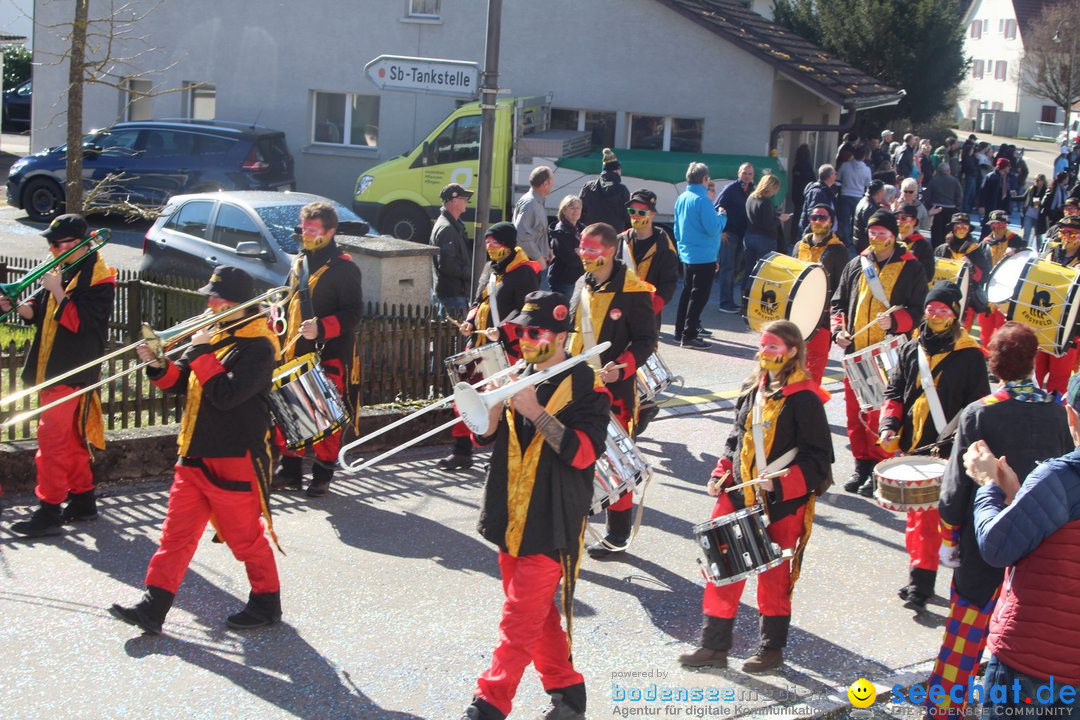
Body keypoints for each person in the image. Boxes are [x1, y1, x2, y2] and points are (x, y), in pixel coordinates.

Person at [460, 291, 610, 720]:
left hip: (554, 517)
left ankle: (490, 702)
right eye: (520, 331)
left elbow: (583, 454)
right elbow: (490, 439)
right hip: (510, 514)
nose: (524, 339)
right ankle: (567, 689)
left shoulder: (587, 385)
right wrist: (485, 416)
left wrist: (537, 412)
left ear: (561, 335)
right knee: (536, 614)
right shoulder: (517, 373)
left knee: (518, 618)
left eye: (534, 331)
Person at [110, 266, 283, 634]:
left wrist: (203, 350)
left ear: (242, 304)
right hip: (193, 452)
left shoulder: (260, 346)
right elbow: (179, 382)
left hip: (234, 456)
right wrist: (157, 364)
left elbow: (225, 395)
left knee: (245, 538)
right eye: (211, 297)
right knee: (175, 536)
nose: (211, 304)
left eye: (219, 299)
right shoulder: (213, 336)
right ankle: (152, 607)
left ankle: (267, 602)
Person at [925, 323, 1071, 719]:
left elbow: (956, 489)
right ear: (1032, 361)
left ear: (995, 363)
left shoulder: (980, 412)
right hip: (1038, 547)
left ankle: (944, 712)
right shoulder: (1057, 414)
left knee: (962, 642)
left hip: (982, 540)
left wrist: (949, 537)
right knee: (1019, 646)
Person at [678, 320, 831, 673]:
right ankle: (713, 646)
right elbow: (735, 439)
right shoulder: (752, 389)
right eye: (762, 346)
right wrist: (720, 473)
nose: (765, 353)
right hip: (739, 491)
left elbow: (819, 458)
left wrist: (780, 483)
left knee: (775, 578)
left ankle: (770, 650)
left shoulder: (806, 397)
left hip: (782, 500)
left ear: (793, 352)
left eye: (773, 347)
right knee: (722, 568)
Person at [963, 372, 1080, 719]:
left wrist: (989, 486)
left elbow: (996, 546)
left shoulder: (1060, 478)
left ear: (1070, 414)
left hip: (1033, 665)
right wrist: (1019, 497)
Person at [877, 282, 990, 613]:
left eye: (943, 310)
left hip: (948, 449)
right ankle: (919, 576)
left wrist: (957, 443)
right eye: (931, 310)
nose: (936, 315)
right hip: (913, 444)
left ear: (954, 314)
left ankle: (928, 581)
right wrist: (889, 425)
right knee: (917, 519)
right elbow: (895, 390)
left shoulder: (970, 355)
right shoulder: (913, 348)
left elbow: (978, 406)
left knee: (935, 522)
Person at [4, 214, 116, 538]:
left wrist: (57, 292)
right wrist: (18, 306)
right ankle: (83, 499)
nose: (52, 249)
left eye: (58, 244)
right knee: (68, 438)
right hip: (52, 366)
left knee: (51, 441)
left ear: (79, 243)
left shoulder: (100, 279)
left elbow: (81, 323)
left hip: (73, 368)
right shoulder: (63, 269)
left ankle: (49, 509)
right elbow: (40, 314)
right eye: (50, 244)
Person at [569, 222, 658, 558]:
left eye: (591, 249)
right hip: (577, 388)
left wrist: (622, 366)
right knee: (576, 457)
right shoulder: (582, 284)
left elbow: (647, 341)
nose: (584, 255)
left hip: (615, 390)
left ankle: (618, 534)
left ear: (608, 251)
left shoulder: (634, 290)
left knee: (614, 462)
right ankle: (573, 524)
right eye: (582, 248)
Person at [832, 209, 929, 495]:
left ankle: (879, 469)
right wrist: (839, 331)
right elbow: (838, 302)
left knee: (881, 414)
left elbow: (920, 311)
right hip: (857, 352)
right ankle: (861, 464)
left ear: (893, 235)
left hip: (890, 356)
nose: (876, 237)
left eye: (882, 232)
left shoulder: (913, 268)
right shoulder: (856, 264)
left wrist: (896, 322)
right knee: (855, 412)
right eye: (872, 232)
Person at [272, 202, 363, 497]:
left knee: (326, 417)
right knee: (292, 410)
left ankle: (323, 474)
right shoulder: (300, 262)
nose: (306, 234)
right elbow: (288, 299)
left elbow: (353, 314)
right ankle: (290, 471)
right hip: (296, 352)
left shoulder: (345, 268)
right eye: (304, 228)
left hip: (329, 352)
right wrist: (275, 313)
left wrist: (322, 327)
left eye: (313, 230)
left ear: (330, 231)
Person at [441, 222, 541, 471]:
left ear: (507, 244)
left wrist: (504, 329)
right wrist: (469, 321)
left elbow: (527, 310)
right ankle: (461, 451)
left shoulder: (525, 271)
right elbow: (478, 301)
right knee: (465, 398)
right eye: (487, 242)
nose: (489, 247)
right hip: (478, 345)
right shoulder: (489, 268)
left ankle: (501, 455)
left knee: (504, 402)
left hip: (505, 348)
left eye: (494, 242)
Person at [673, 162, 726, 349]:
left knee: (688, 293)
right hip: (704, 255)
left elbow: (677, 228)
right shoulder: (703, 200)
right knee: (699, 297)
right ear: (705, 179)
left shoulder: (683, 197)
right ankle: (689, 335)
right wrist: (722, 216)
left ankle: (680, 331)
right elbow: (713, 229)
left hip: (687, 253)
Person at [793, 203, 847, 383]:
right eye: (814, 217)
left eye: (822, 217)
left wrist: (836, 320)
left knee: (812, 374)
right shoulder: (799, 245)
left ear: (831, 222)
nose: (817, 221)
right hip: (797, 317)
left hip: (821, 321)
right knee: (792, 371)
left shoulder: (838, 250)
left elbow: (842, 287)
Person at [618, 189, 679, 330]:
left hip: (649, 315)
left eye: (641, 212)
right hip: (619, 314)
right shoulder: (621, 241)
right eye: (631, 211)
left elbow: (669, 283)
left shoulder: (664, 246)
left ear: (652, 214)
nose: (636, 216)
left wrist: (652, 307)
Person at [1035, 215, 1080, 395]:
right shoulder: (1050, 252)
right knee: (1034, 371)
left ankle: (1054, 416)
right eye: (1064, 232)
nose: (1067, 236)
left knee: (1059, 378)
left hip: (1071, 327)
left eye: (1073, 233)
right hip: (1043, 321)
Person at [934, 213, 991, 333]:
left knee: (960, 332)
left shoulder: (975, 249)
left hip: (966, 298)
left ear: (969, 229)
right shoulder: (942, 248)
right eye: (958, 226)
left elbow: (983, 276)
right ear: (952, 228)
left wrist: (971, 267)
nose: (961, 229)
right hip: (942, 296)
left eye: (964, 227)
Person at [977, 209, 1025, 346]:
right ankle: (986, 355)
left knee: (1002, 329)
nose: (998, 227)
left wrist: (1017, 251)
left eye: (1001, 224)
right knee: (985, 328)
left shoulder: (1017, 241)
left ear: (1006, 224)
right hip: (987, 292)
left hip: (1008, 293)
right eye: (995, 224)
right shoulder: (985, 243)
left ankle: (999, 356)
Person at [743, 174, 791, 301]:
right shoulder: (766, 202)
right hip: (765, 239)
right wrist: (779, 219)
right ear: (771, 187)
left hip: (749, 236)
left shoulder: (750, 198)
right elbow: (768, 225)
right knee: (763, 272)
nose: (776, 191)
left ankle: (745, 298)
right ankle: (757, 300)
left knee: (748, 270)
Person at [715, 163, 754, 313]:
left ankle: (731, 302)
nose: (747, 176)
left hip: (744, 235)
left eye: (750, 174)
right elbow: (717, 207)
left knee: (736, 269)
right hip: (729, 234)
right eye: (744, 173)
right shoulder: (730, 189)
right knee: (727, 268)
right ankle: (725, 303)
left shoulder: (753, 189)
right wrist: (721, 230)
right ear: (739, 173)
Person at [431, 182, 474, 312]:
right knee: (456, 332)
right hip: (453, 295)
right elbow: (447, 265)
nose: (467, 201)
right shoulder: (447, 229)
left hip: (454, 293)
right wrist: (470, 273)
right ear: (454, 201)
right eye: (464, 199)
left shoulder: (453, 225)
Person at [578, 148, 630, 233]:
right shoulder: (622, 190)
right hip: (612, 237)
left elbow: (579, 211)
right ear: (618, 170)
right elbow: (628, 217)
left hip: (590, 235)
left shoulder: (588, 187)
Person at [514, 166, 555, 271]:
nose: (553, 184)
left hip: (534, 263)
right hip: (530, 265)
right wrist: (539, 258)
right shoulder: (531, 204)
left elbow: (537, 232)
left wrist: (547, 250)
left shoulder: (536, 202)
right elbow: (522, 237)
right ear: (545, 184)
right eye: (552, 180)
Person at [547, 195, 584, 299]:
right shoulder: (560, 232)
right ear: (563, 210)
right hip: (564, 280)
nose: (576, 211)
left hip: (578, 278)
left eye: (578, 208)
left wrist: (581, 252)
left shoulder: (582, 228)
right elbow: (571, 260)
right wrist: (585, 254)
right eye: (572, 208)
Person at [836, 146, 872, 246]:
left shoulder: (845, 165)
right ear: (864, 156)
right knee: (856, 220)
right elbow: (868, 184)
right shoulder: (867, 169)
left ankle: (845, 241)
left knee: (845, 220)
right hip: (858, 196)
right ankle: (854, 239)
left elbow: (838, 180)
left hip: (844, 195)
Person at [923, 160, 963, 248]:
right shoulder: (954, 181)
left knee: (936, 231)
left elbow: (927, 195)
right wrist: (957, 206)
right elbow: (959, 196)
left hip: (936, 208)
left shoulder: (934, 180)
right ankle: (947, 248)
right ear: (948, 170)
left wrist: (928, 207)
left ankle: (936, 249)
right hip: (950, 209)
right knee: (948, 231)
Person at [797, 164, 837, 237]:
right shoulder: (818, 192)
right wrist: (809, 234)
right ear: (830, 175)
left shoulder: (825, 190)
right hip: (816, 233)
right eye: (835, 174)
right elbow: (813, 214)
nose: (836, 176)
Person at [897, 204, 934, 281]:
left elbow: (928, 275)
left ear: (914, 221)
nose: (899, 221)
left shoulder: (923, 245)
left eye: (903, 218)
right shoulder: (890, 240)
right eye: (897, 217)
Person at [853, 179, 885, 254]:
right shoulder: (869, 207)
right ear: (878, 192)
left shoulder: (865, 200)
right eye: (883, 191)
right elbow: (874, 227)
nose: (884, 193)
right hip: (865, 245)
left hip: (860, 241)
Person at [1021, 173, 1048, 250]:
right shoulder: (1031, 189)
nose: (1035, 182)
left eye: (1037, 180)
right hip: (1029, 215)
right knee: (1026, 234)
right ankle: (1024, 248)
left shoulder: (1046, 191)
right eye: (1035, 180)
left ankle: (1039, 251)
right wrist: (1011, 197)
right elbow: (1023, 197)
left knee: (1038, 236)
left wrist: (1037, 202)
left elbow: (1039, 204)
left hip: (1038, 217)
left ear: (1042, 181)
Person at [790, 144, 814, 215]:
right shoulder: (806, 165)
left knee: (797, 213)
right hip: (804, 192)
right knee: (803, 214)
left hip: (796, 193)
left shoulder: (796, 165)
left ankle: (794, 226)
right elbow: (811, 178)